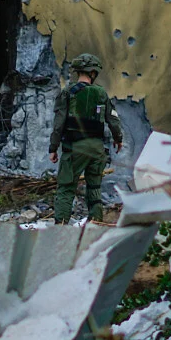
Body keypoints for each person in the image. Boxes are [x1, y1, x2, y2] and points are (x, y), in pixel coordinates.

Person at [50, 52, 124, 223]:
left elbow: (58, 124)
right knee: (94, 188)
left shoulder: (67, 92)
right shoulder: (101, 93)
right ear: (93, 73)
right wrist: (118, 139)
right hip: (97, 150)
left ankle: (60, 230)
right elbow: (113, 120)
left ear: (79, 72)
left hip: (75, 148)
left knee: (66, 188)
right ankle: (96, 226)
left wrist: (53, 148)